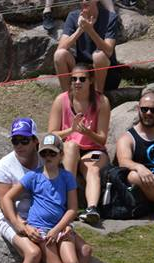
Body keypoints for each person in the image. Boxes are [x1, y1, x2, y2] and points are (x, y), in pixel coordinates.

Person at [0, 117, 92, 263]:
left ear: (34, 141)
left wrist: (65, 224)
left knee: (84, 250)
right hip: (14, 220)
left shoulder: (45, 159)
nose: (19, 145)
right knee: (33, 253)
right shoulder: (4, 166)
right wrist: (21, 226)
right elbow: (4, 203)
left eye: (24, 140)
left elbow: (56, 144)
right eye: (15, 141)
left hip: (50, 221)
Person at [47, 63, 111, 224]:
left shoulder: (102, 101)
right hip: (69, 149)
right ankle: (70, 204)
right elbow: (51, 134)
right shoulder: (61, 100)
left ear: (90, 80)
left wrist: (87, 132)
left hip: (94, 149)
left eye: (82, 79)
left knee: (93, 169)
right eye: (73, 79)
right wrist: (71, 130)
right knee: (71, 146)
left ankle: (91, 208)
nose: (77, 82)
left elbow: (102, 139)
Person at [54, 0, 121, 94]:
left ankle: (98, 98)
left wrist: (90, 30)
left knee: (99, 56)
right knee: (59, 55)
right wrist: (80, 30)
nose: (84, 1)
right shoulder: (73, 16)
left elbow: (108, 51)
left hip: (107, 74)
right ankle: (68, 97)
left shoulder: (110, 17)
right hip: (82, 71)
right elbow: (61, 47)